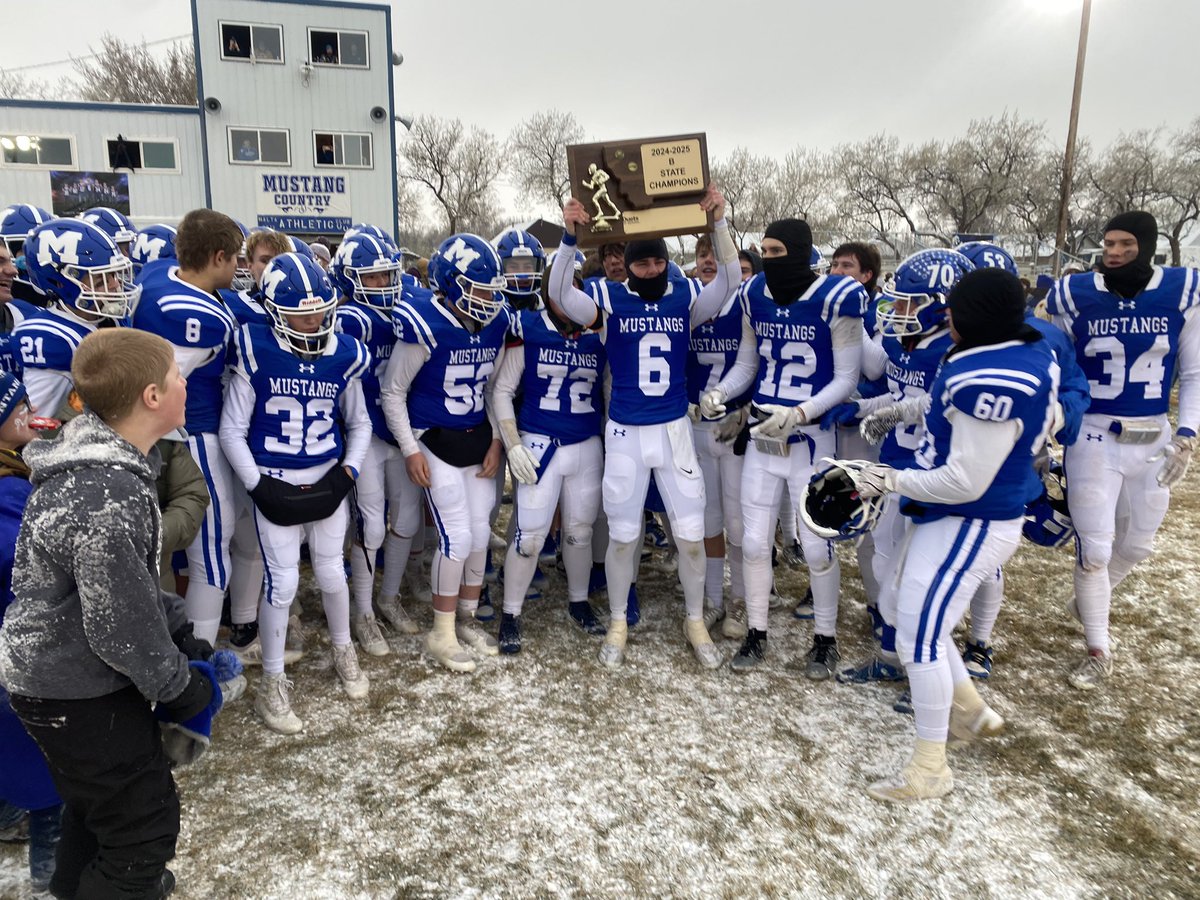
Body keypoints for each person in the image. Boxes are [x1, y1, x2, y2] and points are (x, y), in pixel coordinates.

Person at [0, 328, 219, 897]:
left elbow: (123, 585)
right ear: (151, 396)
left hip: (59, 677)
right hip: (72, 688)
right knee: (140, 826)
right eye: (175, 374)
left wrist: (176, 629)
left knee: (97, 812)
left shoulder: (107, 463)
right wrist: (179, 687)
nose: (184, 380)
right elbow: (118, 628)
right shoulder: (106, 492)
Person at [839, 268, 1060, 802]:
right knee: (894, 603)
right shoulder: (1010, 347)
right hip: (949, 515)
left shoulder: (997, 375)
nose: (945, 319)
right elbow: (945, 404)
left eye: (954, 310)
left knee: (919, 638)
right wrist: (899, 410)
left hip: (971, 519)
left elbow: (965, 479)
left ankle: (929, 768)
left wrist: (887, 478)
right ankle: (967, 708)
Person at [549, 184, 739, 668]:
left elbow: (730, 279)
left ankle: (694, 617)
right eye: (641, 262)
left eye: (657, 262)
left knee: (691, 536)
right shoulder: (609, 301)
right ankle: (616, 618)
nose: (651, 269)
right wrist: (570, 237)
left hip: (674, 431)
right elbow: (557, 293)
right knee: (623, 536)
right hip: (626, 434)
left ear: (665, 263)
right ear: (628, 265)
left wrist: (717, 222)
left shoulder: (685, 296)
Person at [701, 219, 868, 674]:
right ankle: (756, 632)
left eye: (778, 251)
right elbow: (748, 362)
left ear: (798, 251)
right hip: (761, 436)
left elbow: (847, 379)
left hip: (810, 440)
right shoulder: (754, 296)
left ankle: (826, 639)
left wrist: (799, 413)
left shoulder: (836, 298)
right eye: (765, 251)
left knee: (816, 547)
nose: (770, 258)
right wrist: (722, 392)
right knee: (753, 543)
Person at [1045, 211, 1199, 689]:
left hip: (1153, 435)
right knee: (1095, 550)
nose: (1113, 252)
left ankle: (1093, 595)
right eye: (1108, 243)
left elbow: (1192, 372)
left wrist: (1188, 434)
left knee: (1139, 544)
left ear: (1147, 245)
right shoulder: (1074, 294)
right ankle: (1098, 647)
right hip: (1093, 433)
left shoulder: (1182, 290)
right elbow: (1054, 362)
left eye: (1126, 244)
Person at [220, 252, 372, 733]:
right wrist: (258, 486)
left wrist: (347, 474)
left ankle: (343, 648)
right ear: (273, 312)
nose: (313, 319)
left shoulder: (343, 351)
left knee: (331, 573)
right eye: (300, 312)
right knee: (283, 583)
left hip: (326, 472)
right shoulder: (255, 348)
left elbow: (360, 422)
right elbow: (231, 431)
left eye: (320, 309)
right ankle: (272, 680)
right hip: (274, 474)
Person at [381, 234, 511, 673]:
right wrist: (410, 448)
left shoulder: (496, 321)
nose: (488, 299)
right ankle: (441, 631)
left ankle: (466, 617)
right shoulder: (425, 323)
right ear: (451, 284)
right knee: (456, 536)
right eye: (479, 289)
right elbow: (393, 392)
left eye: (493, 290)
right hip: (433, 436)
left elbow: (493, 389)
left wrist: (495, 439)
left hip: (475, 435)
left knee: (478, 534)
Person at [133, 208, 242, 646]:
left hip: (177, 431)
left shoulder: (160, 273)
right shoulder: (197, 319)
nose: (238, 267)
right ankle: (201, 657)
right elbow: (162, 388)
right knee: (213, 546)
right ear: (217, 257)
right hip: (189, 433)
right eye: (234, 258)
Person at [491, 246, 607, 652]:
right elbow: (502, 391)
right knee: (530, 536)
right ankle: (510, 613)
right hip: (539, 442)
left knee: (579, 533)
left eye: (576, 286)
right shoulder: (528, 327)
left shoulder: (598, 332)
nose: (570, 295)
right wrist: (513, 442)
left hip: (587, 444)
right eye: (563, 287)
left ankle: (578, 602)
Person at [331, 232, 422, 652]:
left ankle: (388, 598)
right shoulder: (348, 318)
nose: (386, 284)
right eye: (376, 276)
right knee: (370, 525)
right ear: (350, 279)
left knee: (405, 521)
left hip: (399, 428)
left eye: (389, 274)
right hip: (364, 431)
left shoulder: (407, 309)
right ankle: (363, 612)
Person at [0, 373, 62, 897]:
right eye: (15, 403)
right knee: (50, 766)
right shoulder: (8, 491)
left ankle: (5, 812)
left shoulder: (16, 473)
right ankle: (52, 873)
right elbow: (22, 558)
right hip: (20, 648)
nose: (27, 407)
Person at [14, 218, 138, 415]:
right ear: (61, 284)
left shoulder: (110, 318)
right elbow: (37, 420)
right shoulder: (53, 337)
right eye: (100, 281)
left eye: (114, 275)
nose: (115, 285)